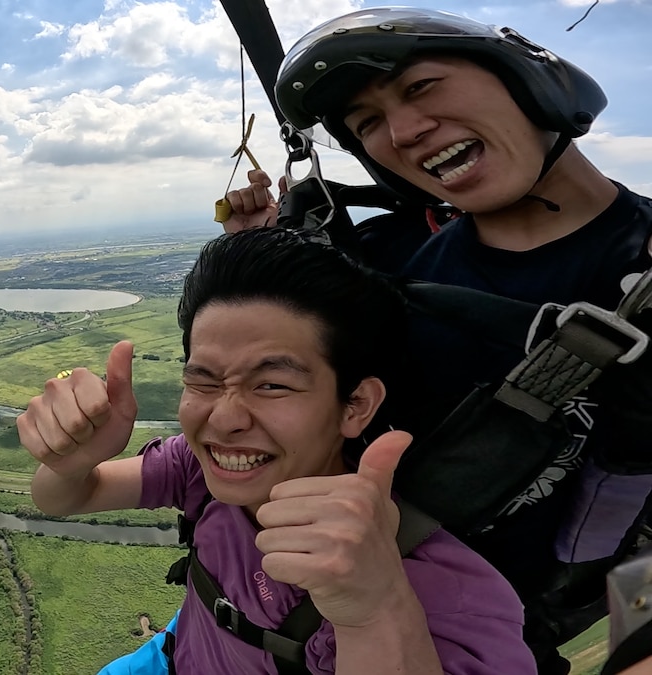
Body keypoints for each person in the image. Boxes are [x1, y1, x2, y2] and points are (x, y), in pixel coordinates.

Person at [218, 7, 652, 673]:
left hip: (489, 638)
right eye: (367, 124)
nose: (403, 130)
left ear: (531, 81)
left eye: (421, 86)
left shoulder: (641, 280)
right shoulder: (381, 257)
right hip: (296, 603)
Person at [18, 228, 537, 674]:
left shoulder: (453, 597)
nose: (224, 420)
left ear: (355, 404)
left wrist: (373, 609)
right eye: (204, 381)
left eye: (271, 386)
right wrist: (73, 461)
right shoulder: (199, 471)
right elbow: (63, 500)